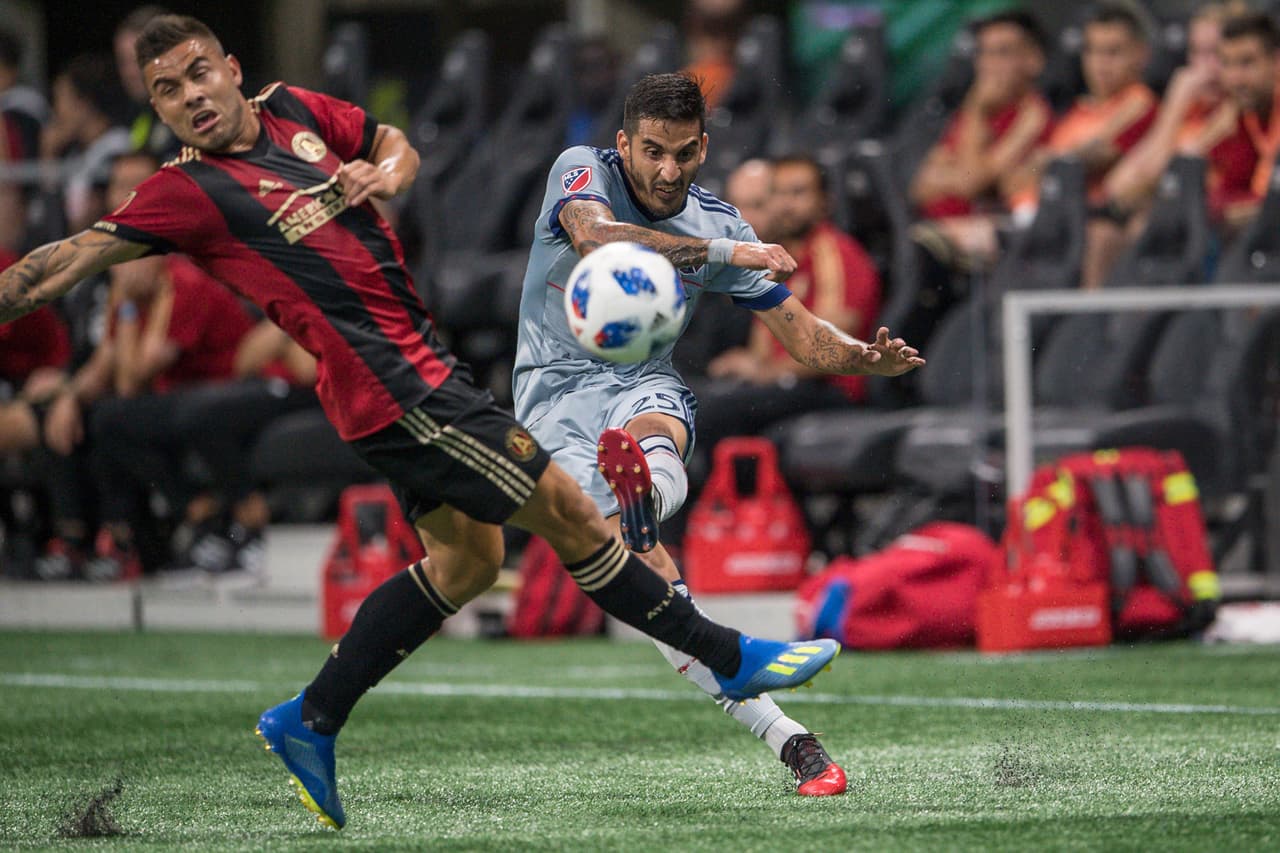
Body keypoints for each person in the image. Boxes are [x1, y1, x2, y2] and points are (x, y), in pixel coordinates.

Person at [0, 15, 842, 830]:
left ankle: (312, 717)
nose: (189, 96)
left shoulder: (294, 109)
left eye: (197, 73)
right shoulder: (185, 191)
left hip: (420, 366)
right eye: (165, 91)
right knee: (574, 515)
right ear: (154, 108)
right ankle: (730, 652)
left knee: (468, 562)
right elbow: (61, 262)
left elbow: (391, 144)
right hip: (397, 390)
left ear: (228, 66)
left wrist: (385, 173)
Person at [513, 73, 923, 797]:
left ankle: (645, 493)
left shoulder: (718, 219)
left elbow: (801, 336)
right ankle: (788, 734)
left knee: (657, 426)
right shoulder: (582, 171)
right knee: (654, 589)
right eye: (652, 152)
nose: (667, 170)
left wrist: (862, 357)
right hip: (554, 398)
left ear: (703, 147)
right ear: (623, 145)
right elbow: (598, 241)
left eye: (682, 153)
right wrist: (731, 255)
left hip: (641, 381)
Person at [697, 153, 882, 458]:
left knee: (715, 415)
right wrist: (749, 365)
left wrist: (761, 372)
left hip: (831, 391)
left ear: (826, 201)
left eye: (798, 193)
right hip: (787, 385)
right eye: (778, 194)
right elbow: (764, 348)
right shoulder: (780, 260)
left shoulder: (838, 253)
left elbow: (832, 350)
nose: (785, 204)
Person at [1006, 2, 1159, 289]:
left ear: (1142, 54)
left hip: (1074, 228)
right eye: (1092, 50)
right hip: (1034, 222)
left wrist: (1047, 161)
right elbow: (1017, 178)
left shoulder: (1138, 103)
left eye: (1113, 52)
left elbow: (1095, 154)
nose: (1100, 63)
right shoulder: (1078, 112)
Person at [908, 10, 1052, 270]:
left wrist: (976, 109)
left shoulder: (1033, 115)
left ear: (1033, 59)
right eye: (984, 53)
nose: (990, 65)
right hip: (940, 239)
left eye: (1003, 52)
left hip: (992, 252)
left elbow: (969, 183)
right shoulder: (975, 114)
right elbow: (921, 186)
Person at [1215, 10, 1280, 230]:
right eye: (1226, 63)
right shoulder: (1246, 112)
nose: (1234, 78)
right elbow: (1226, 190)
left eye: (1247, 63)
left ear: (1276, 61)